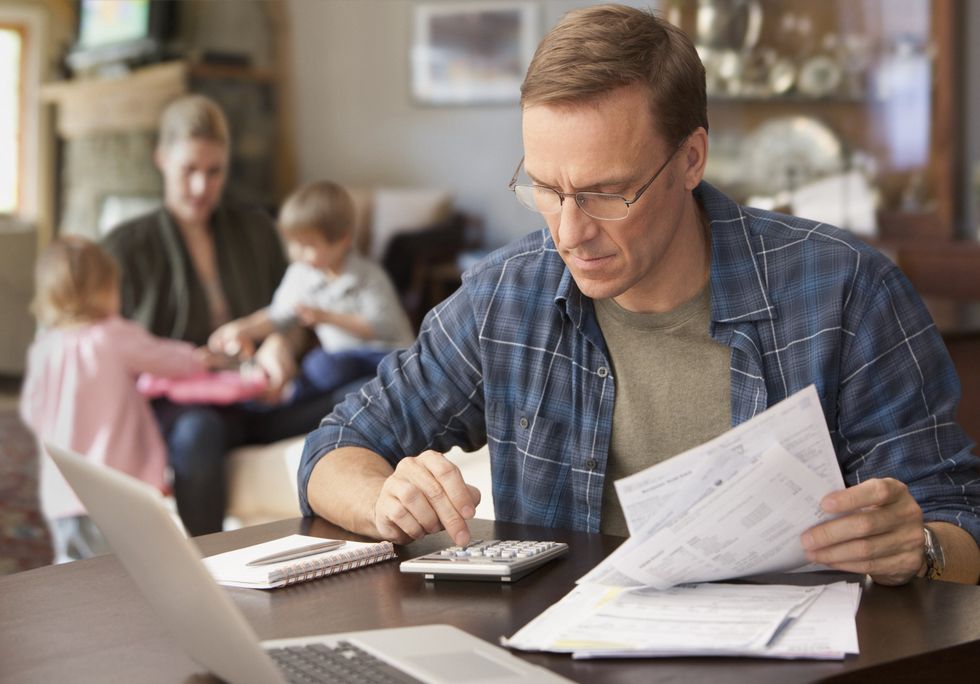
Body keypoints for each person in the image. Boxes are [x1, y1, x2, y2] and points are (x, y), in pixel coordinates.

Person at [299, 4, 980, 585]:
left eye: (605, 193)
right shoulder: (508, 294)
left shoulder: (845, 291)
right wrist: (384, 498)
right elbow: (336, 445)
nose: (570, 232)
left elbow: (959, 521)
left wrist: (916, 548)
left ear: (691, 160)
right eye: (545, 188)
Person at [103, 94, 338, 536]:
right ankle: (208, 568)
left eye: (214, 172)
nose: (200, 187)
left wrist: (278, 346)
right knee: (199, 434)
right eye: (188, 170)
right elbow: (110, 351)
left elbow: (294, 313)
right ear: (161, 159)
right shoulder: (125, 248)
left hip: (259, 397)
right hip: (182, 407)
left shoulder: (256, 230)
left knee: (365, 388)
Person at [19, 237, 212, 562]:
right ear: (106, 290)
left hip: (63, 493)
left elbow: (30, 410)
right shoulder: (112, 335)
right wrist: (200, 358)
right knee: (127, 573)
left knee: (75, 577)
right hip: (117, 490)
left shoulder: (43, 348)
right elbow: (165, 359)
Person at [208, 180, 414, 403]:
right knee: (321, 369)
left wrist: (326, 317)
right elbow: (278, 315)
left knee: (324, 365)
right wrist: (243, 329)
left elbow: (382, 326)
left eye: (308, 245)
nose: (297, 253)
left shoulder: (368, 276)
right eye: (292, 244)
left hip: (385, 356)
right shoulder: (301, 274)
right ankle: (280, 400)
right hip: (343, 362)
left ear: (342, 240)